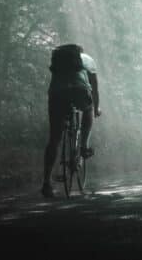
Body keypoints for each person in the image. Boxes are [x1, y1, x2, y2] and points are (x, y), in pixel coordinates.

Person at [42, 44, 101, 198]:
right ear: (79, 52)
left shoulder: (58, 62)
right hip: (79, 91)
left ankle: (46, 182)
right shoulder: (86, 59)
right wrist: (97, 108)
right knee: (88, 109)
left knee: (54, 139)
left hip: (57, 94)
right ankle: (83, 146)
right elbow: (94, 85)